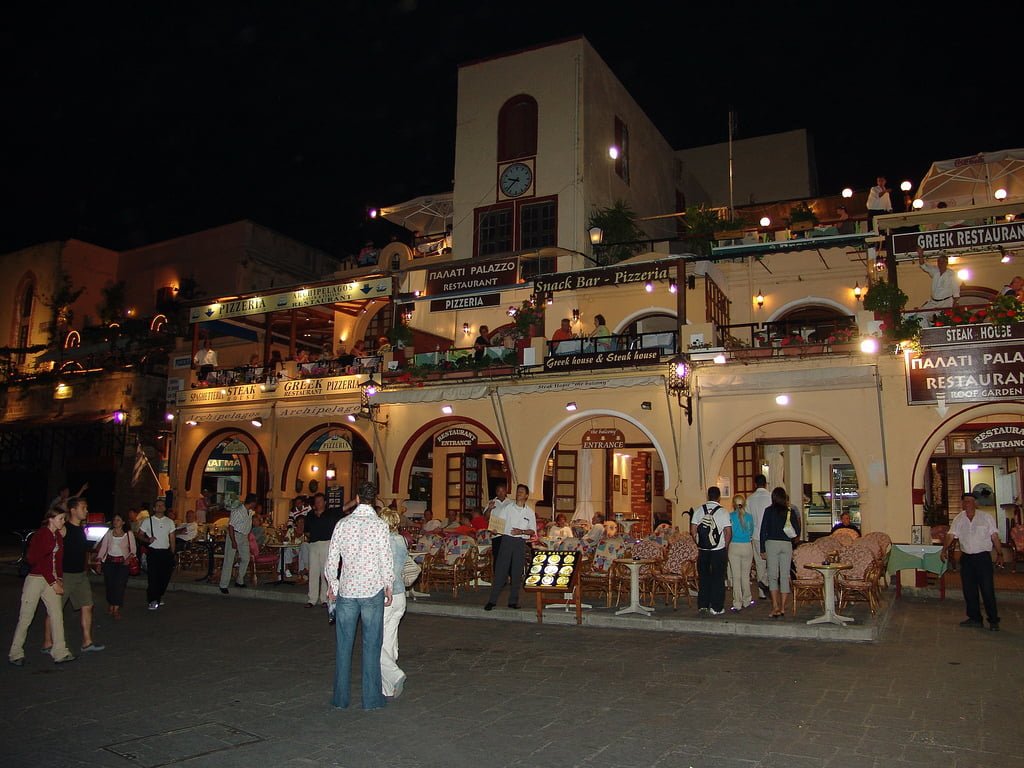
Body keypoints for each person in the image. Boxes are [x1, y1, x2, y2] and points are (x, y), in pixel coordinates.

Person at [325, 481, 393, 710]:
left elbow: (332, 558)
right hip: (372, 589)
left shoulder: (343, 524)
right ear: (373, 499)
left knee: (343, 646)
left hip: (347, 590)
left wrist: (333, 585)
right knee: (372, 645)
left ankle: (340, 698)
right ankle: (371, 699)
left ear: (356, 498)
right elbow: (386, 558)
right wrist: (388, 585)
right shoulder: (380, 526)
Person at [8, 508, 75, 666]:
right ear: (51, 519)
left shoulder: (57, 536)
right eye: (60, 518)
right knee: (26, 617)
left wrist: (59, 579)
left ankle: (60, 651)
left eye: (63, 519)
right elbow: (37, 560)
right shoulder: (41, 535)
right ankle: (15, 652)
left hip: (51, 579)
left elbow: (58, 560)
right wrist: (53, 582)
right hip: (36, 579)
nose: (63, 521)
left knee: (56, 615)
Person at [42, 497, 104, 654]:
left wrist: (92, 560)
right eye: (83, 507)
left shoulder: (81, 529)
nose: (86, 511)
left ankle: (87, 642)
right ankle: (47, 642)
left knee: (87, 605)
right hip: (65, 575)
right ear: (73, 510)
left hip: (80, 575)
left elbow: (81, 550)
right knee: (55, 609)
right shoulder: (64, 528)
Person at [941, 493, 1003, 631]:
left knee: (987, 589)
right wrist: (944, 549)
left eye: (969, 501)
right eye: (965, 501)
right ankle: (975, 618)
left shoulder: (986, 517)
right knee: (969, 590)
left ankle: (993, 620)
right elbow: (951, 535)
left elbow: (994, 536)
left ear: (975, 503)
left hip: (982, 558)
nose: (967, 504)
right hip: (967, 558)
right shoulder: (959, 519)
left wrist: (999, 553)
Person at [484, 484, 536, 611]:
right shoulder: (508, 508)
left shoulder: (529, 512)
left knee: (516, 572)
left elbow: (532, 531)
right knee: (500, 571)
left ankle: (513, 601)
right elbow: (499, 523)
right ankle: (492, 601)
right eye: (518, 491)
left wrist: (521, 531)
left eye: (522, 492)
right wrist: (495, 529)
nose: (519, 493)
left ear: (526, 495)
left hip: (520, 543)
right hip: (507, 540)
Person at [379, 505, 408, 698]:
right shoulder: (401, 540)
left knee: (374, 642)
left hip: (386, 594)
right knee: (389, 641)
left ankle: (395, 674)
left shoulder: (383, 542)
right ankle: (388, 688)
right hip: (400, 595)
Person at [759, 486, 801, 619]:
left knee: (772, 576)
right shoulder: (790, 511)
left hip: (771, 544)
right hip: (786, 544)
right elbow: (797, 531)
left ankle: (775, 606)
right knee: (784, 576)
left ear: (773, 497)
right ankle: (783, 607)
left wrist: (762, 549)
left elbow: (763, 530)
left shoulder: (768, 511)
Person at [691, 486, 732, 616]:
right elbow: (728, 532)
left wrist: (699, 543)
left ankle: (703, 605)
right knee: (718, 578)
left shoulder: (698, 510)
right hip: (718, 550)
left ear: (708, 496)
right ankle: (716, 607)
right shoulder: (723, 512)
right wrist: (725, 546)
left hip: (703, 550)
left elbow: (693, 530)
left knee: (703, 578)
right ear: (719, 497)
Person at [94, 511, 136, 620]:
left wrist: (128, 559)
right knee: (110, 584)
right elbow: (103, 548)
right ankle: (111, 603)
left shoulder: (128, 534)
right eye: (114, 520)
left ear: (123, 522)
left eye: (118, 520)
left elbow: (133, 549)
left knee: (120, 585)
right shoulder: (109, 533)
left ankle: (116, 608)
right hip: (109, 562)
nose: (115, 522)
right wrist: (99, 562)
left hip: (122, 563)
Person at [306, 492, 341, 608]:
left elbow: (344, 508)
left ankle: (324, 599)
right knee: (313, 572)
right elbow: (306, 530)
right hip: (313, 544)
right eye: (316, 501)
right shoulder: (310, 515)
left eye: (320, 501)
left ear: (325, 502)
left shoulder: (330, 513)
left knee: (324, 571)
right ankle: (312, 599)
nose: (318, 503)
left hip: (326, 543)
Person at [139, 498, 176, 609]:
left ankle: (158, 595)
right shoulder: (148, 521)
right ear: (154, 508)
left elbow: (172, 537)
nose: (160, 507)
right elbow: (139, 534)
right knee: (153, 577)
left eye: (162, 505)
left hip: (165, 552)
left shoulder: (169, 521)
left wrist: (172, 552)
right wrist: (147, 540)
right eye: (158, 505)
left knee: (165, 576)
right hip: (153, 551)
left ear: (165, 508)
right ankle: (153, 599)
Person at [218, 493, 256, 595]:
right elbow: (231, 526)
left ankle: (239, 580)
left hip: (244, 536)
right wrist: (233, 541)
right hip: (235, 535)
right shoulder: (238, 511)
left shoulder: (250, 512)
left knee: (246, 558)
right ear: (252, 503)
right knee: (229, 560)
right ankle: (223, 584)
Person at [913, 246, 960, 324]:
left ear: (946, 263)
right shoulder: (935, 271)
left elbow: (956, 291)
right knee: (920, 315)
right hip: (933, 302)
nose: (940, 264)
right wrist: (920, 254)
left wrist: (954, 306)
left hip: (945, 303)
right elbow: (923, 265)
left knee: (944, 321)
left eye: (942, 262)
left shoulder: (951, 274)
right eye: (939, 262)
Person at [727, 494, 755, 612]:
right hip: (747, 546)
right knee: (745, 575)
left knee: (736, 576)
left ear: (733, 504)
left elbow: (728, 532)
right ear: (744, 504)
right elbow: (751, 531)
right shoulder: (749, 517)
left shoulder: (730, 516)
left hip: (734, 546)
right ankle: (747, 600)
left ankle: (737, 602)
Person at [746, 474, 772, 600]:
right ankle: (767, 583)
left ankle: (762, 591)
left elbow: (748, 520)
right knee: (772, 562)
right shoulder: (771, 497)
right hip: (770, 534)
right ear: (765, 484)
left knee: (759, 563)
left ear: (755, 484)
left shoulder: (750, 499)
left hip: (756, 534)